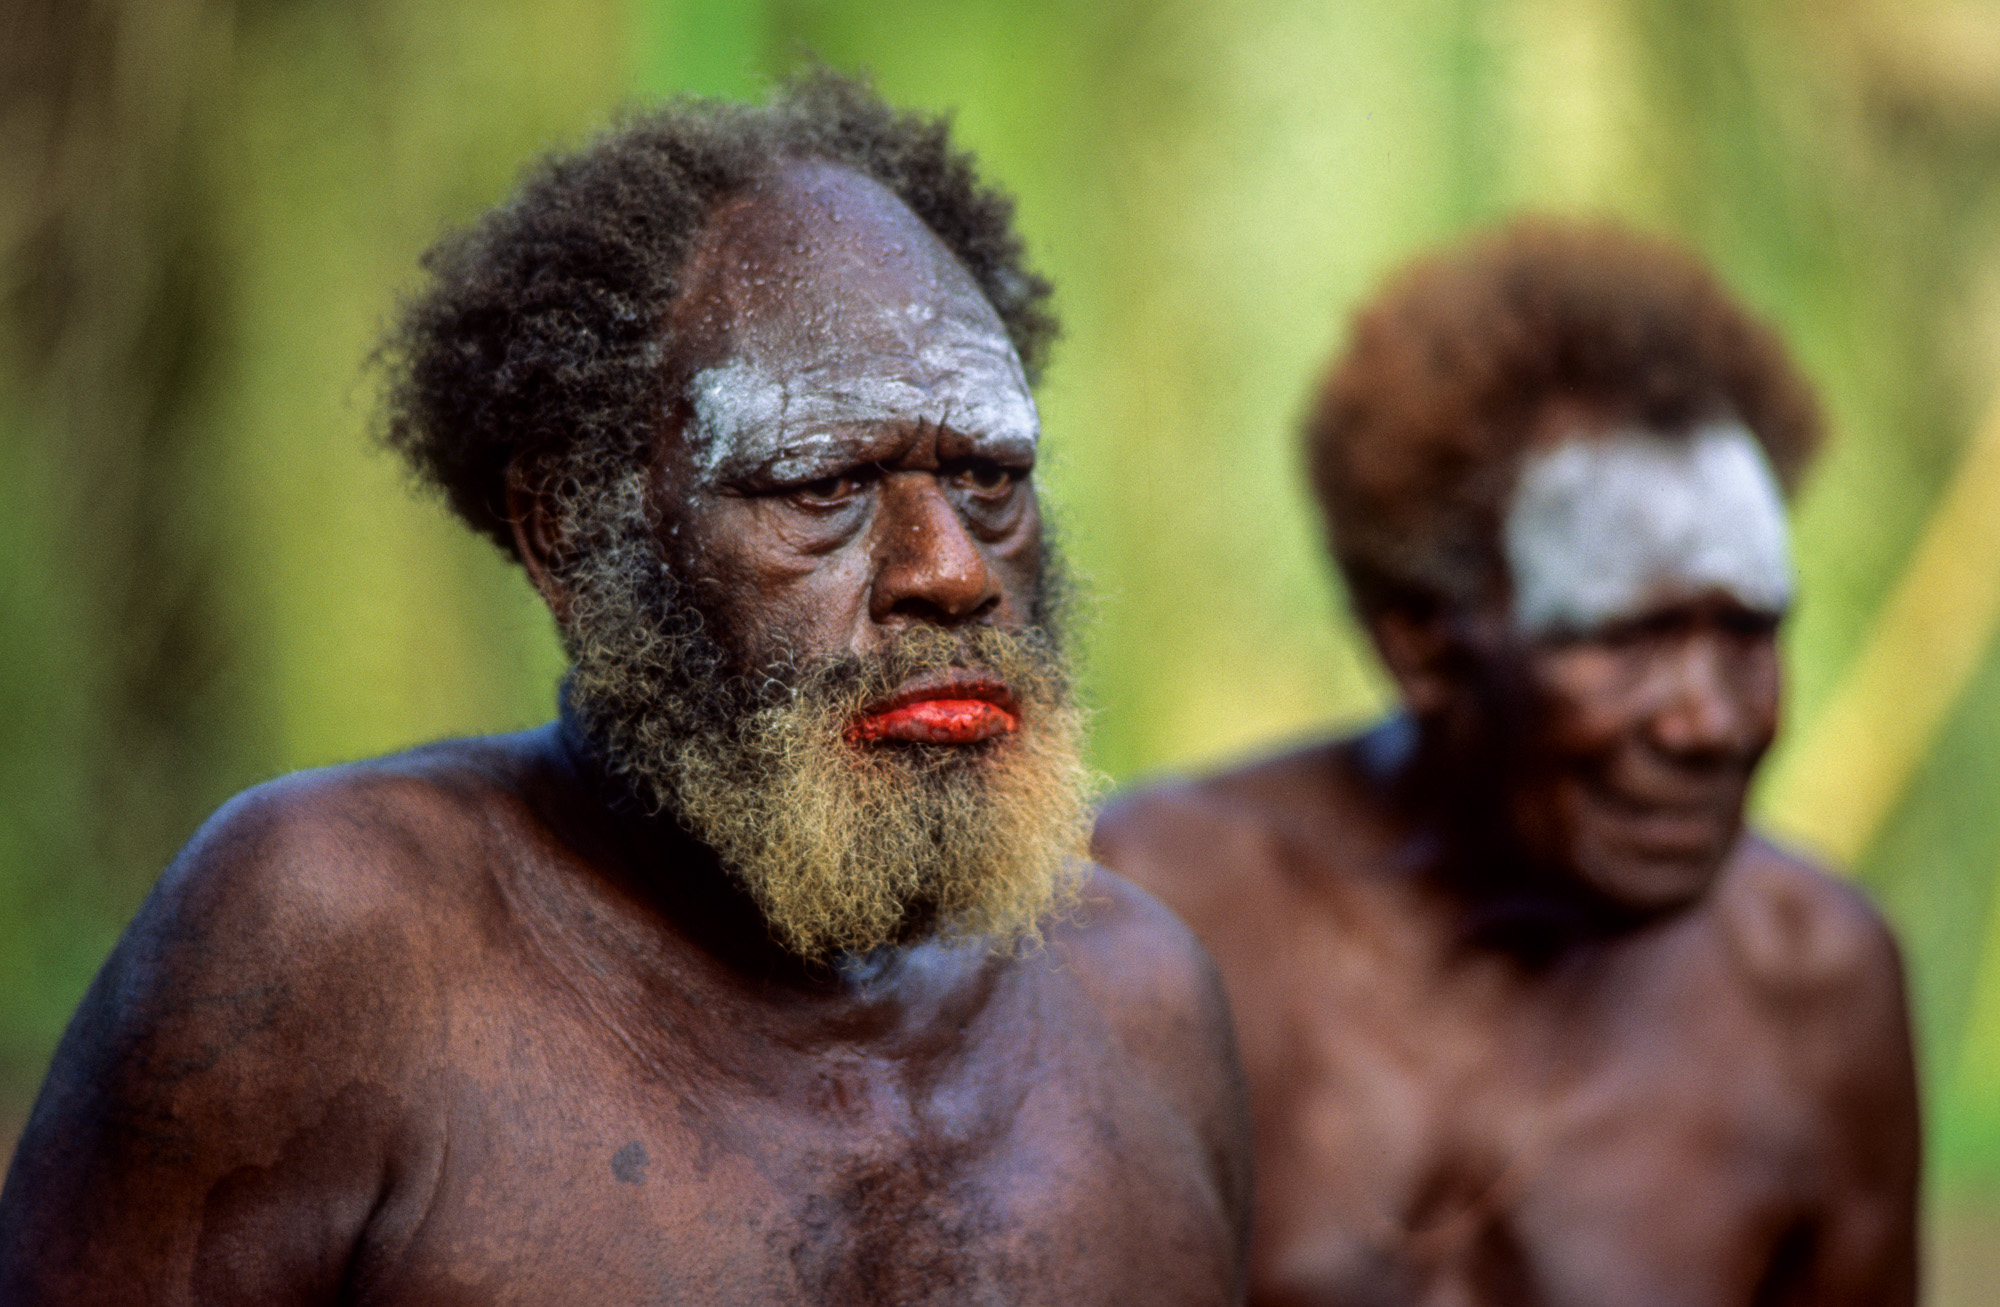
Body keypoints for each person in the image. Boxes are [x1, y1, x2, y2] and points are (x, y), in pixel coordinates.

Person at [0, 74, 1250, 1305]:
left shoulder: (1143, 1006)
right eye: (822, 486)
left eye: (987, 476)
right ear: (567, 532)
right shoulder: (332, 948)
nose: (949, 569)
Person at [1095, 221, 1919, 1306]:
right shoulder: (1167, 912)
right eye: (1625, 641)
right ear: (1422, 645)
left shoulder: (1811, 991)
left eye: (1749, 632)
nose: (1710, 721)